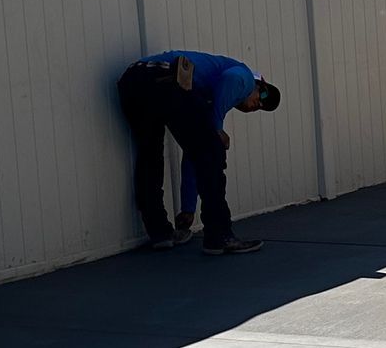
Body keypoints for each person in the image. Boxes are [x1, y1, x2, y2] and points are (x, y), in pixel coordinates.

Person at [115, 51, 281, 256]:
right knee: (212, 151)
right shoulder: (245, 76)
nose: (259, 104)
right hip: (167, 76)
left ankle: (160, 233)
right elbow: (232, 79)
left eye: (261, 108)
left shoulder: (206, 92)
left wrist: (188, 207)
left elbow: (192, 151)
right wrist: (217, 129)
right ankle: (219, 235)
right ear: (258, 83)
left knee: (151, 156)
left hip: (132, 82)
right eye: (262, 95)